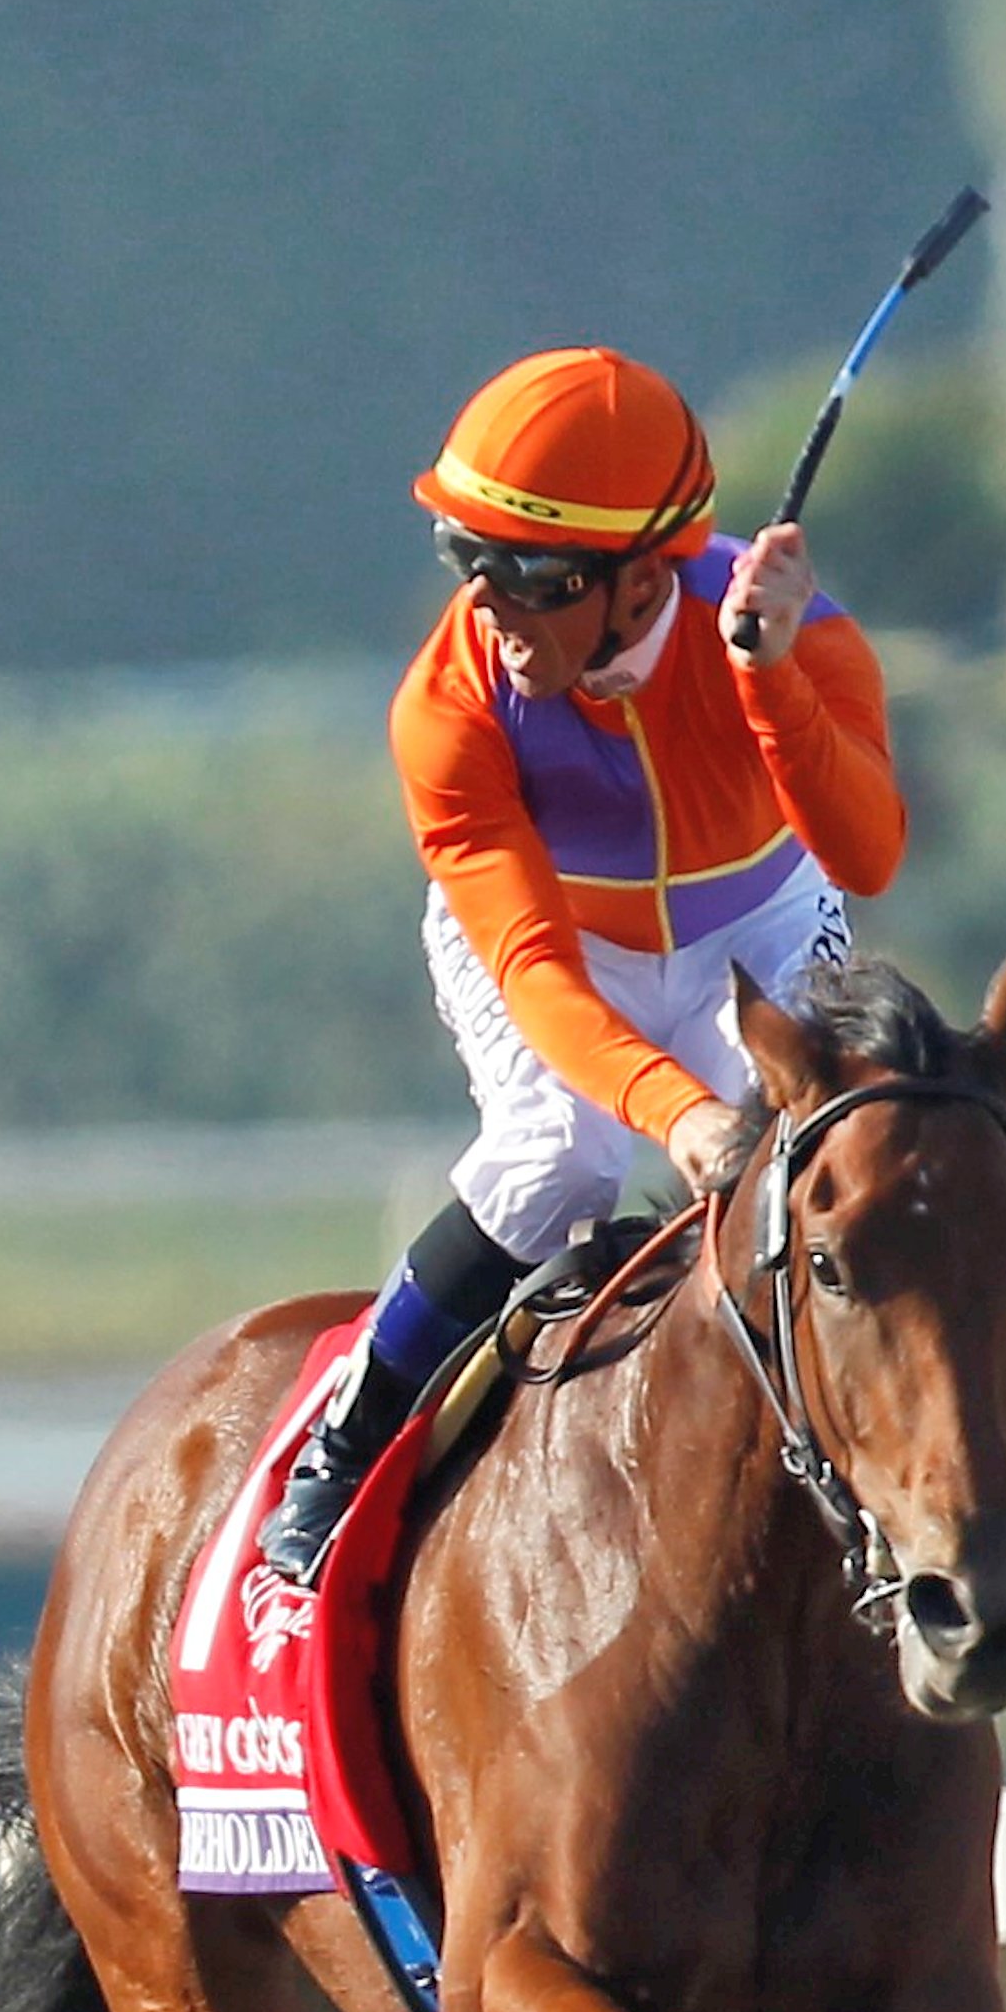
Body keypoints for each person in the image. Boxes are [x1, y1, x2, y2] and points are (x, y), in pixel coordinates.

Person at [260, 344, 909, 1580]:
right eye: (470, 565)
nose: (490, 613)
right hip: (561, 948)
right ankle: (350, 1437)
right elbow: (541, 975)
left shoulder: (804, 637)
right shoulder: (446, 709)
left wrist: (767, 683)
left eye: (532, 577)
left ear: (640, 577)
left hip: (760, 922)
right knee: (565, 1155)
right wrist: (676, 1114)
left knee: (821, 1151)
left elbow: (868, 855)